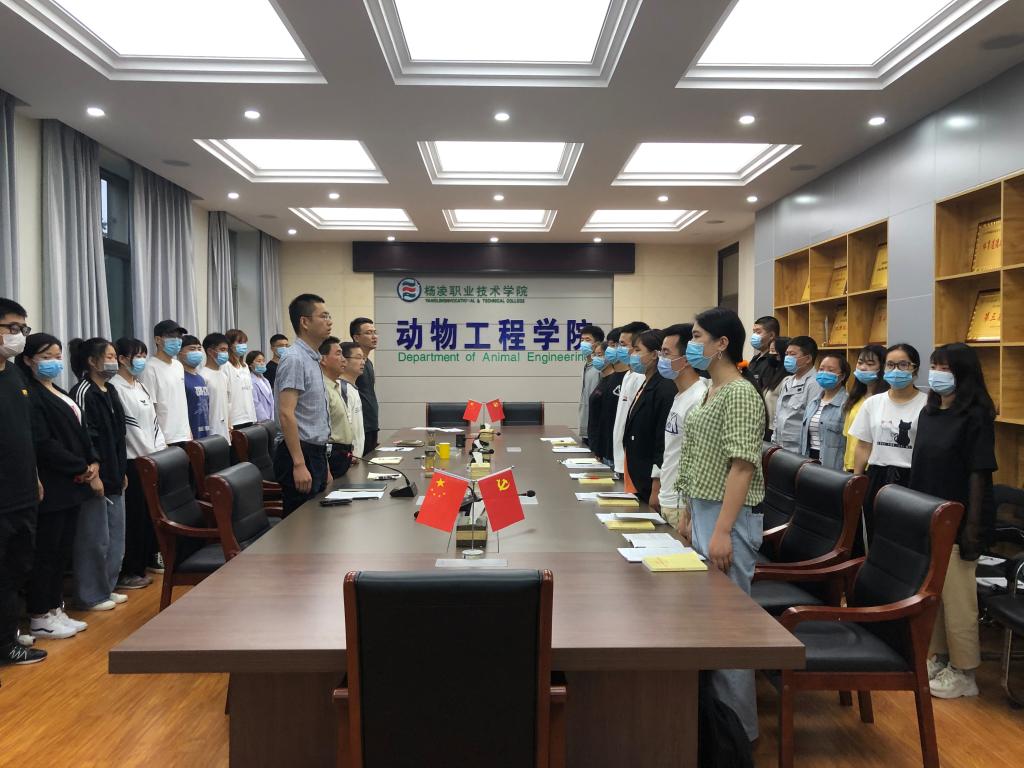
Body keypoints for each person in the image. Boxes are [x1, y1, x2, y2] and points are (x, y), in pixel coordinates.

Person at [676, 307, 766, 742]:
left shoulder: (741, 394)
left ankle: (739, 736)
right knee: (708, 622)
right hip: (703, 510)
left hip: (728, 517)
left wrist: (722, 530)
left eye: (697, 336)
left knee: (730, 626)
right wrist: (688, 511)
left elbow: (742, 466)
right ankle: (712, 727)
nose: (692, 344)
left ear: (722, 343)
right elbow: (696, 454)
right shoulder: (711, 389)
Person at [910, 343, 996, 700]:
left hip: (961, 520)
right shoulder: (929, 412)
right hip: (929, 515)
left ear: (963, 373)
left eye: (944, 368)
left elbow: (979, 474)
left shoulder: (975, 416)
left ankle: (965, 671)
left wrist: (971, 529)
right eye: (934, 366)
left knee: (959, 600)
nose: (937, 374)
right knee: (935, 596)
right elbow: (920, 465)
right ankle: (941, 658)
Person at [18, 334, 100, 639]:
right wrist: (79, 466)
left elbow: (81, 431)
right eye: (46, 357)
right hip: (54, 483)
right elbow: (43, 443)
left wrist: (92, 460)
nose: (53, 362)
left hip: (73, 483)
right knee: (47, 552)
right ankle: (40, 614)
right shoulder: (31, 395)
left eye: (56, 356)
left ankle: (55, 609)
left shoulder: (59, 391)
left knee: (62, 550)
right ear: (28, 360)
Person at [0, 298, 47, 665]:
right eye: (11, 328)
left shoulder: (15, 374)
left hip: (23, 492)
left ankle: (8, 637)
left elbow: (26, 434)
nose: (18, 336)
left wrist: (34, 477)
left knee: (15, 570)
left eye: (22, 329)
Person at [69, 337, 128, 612]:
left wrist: (121, 470)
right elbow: (85, 437)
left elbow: (118, 434)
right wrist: (95, 474)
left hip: (116, 473)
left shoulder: (111, 390)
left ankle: (107, 587)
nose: (114, 361)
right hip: (95, 475)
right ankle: (90, 594)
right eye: (109, 357)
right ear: (92, 361)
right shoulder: (83, 391)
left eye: (115, 356)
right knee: (94, 538)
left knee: (116, 536)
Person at [849, 343, 928, 548]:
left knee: (908, 538)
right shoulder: (873, 403)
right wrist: (857, 481)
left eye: (903, 365)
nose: (896, 370)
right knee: (876, 536)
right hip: (878, 476)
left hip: (912, 478)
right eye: (890, 365)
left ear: (915, 369)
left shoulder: (927, 405)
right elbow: (863, 445)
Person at [110, 338, 166, 591]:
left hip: (152, 458)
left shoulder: (139, 385)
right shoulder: (116, 387)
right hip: (134, 461)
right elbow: (130, 428)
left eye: (144, 355)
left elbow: (153, 421)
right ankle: (129, 570)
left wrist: (160, 450)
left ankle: (144, 562)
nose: (141, 360)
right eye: (137, 355)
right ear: (122, 359)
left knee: (147, 516)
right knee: (133, 518)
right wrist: (148, 452)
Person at [274, 294, 334, 514]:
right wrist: (299, 464)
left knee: (317, 521)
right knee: (300, 524)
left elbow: (314, 416)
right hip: (299, 453)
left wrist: (324, 464)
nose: (329, 321)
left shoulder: (312, 358)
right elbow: (286, 413)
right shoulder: (295, 358)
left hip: (315, 453)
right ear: (305, 322)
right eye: (323, 316)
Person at [650, 323, 708, 529]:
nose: (661, 359)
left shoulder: (699, 397)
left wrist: (688, 512)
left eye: (666, 353)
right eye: (660, 353)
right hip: (668, 496)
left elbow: (698, 458)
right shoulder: (680, 395)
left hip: (681, 505)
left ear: (686, 360)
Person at [623, 329, 677, 506]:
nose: (632, 355)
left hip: (650, 482)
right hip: (638, 475)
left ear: (654, 355)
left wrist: (656, 486)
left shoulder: (665, 388)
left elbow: (662, 441)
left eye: (638, 350)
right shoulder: (647, 382)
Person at [140, 319, 191, 445]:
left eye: (179, 337)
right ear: (158, 340)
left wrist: (188, 430)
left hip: (184, 434)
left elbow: (180, 401)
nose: (177, 340)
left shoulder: (178, 365)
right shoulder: (149, 368)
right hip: (165, 438)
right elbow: (150, 408)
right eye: (171, 336)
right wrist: (159, 440)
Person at [611, 321, 650, 477]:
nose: (619, 349)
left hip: (630, 460)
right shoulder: (628, 374)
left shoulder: (641, 377)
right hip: (620, 458)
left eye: (623, 345)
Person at [799, 352, 850, 470]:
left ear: (842, 376)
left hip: (833, 464)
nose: (824, 373)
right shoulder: (813, 402)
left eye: (830, 370)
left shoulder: (847, 404)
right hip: (809, 460)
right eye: (821, 369)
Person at [842, 345, 889, 472]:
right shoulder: (854, 398)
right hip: (851, 466)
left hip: (873, 468)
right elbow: (848, 437)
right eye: (860, 362)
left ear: (883, 367)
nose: (863, 367)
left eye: (870, 364)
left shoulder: (885, 399)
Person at [774, 335, 821, 452]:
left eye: (793, 354)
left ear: (808, 358)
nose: (788, 358)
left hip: (798, 450)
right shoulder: (788, 381)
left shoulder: (815, 383)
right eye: (787, 354)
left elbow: (810, 421)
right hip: (780, 446)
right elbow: (778, 414)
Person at [320, 337, 355, 478]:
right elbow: (321, 433)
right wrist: (326, 467)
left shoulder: (334, 386)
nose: (344, 360)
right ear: (323, 359)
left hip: (343, 454)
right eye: (338, 354)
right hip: (331, 456)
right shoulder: (322, 389)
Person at [592, 331, 629, 466]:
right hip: (606, 449)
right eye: (610, 345)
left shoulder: (630, 378)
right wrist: (599, 447)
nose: (611, 349)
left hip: (620, 453)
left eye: (616, 345)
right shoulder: (610, 378)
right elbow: (604, 417)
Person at [350, 317, 380, 452]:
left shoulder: (368, 363)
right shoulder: (351, 364)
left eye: (375, 332)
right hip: (359, 425)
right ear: (356, 337)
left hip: (371, 423)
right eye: (368, 333)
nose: (374, 336)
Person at [577, 324, 605, 445]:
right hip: (586, 426)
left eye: (587, 340)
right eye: (582, 340)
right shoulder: (586, 366)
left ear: (597, 343)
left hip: (597, 428)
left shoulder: (601, 367)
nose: (583, 343)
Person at [224, 329, 257, 430]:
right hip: (235, 419)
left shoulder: (245, 366)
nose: (243, 345)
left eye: (244, 342)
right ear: (230, 345)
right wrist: (228, 421)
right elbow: (226, 394)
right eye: (239, 342)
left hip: (249, 416)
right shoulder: (226, 365)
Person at [201, 333, 231, 440]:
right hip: (211, 432)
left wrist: (229, 426)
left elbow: (227, 403)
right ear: (210, 351)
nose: (225, 353)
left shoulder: (223, 375)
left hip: (225, 431)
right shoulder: (202, 376)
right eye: (222, 350)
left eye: (227, 350)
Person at [179, 335, 210, 440]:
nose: (197, 352)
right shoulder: (180, 377)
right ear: (180, 352)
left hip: (205, 432)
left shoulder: (200, 378)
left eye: (199, 349)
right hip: (189, 435)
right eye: (192, 349)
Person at [341, 342, 367, 458]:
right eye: (358, 358)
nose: (363, 362)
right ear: (344, 360)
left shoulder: (353, 388)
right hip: (348, 458)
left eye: (363, 358)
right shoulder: (341, 388)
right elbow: (344, 427)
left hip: (356, 457)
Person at [761, 335, 789, 440]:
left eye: (773, 351)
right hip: (766, 427)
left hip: (775, 429)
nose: (771, 354)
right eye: (770, 351)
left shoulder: (787, 379)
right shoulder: (773, 374)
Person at [747, 315, 780, 392]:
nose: (754, 336)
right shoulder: (755, 359)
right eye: (754, 332)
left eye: (758, 332)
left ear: (771, 335)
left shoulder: (774, 360)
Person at [246, 350, 274, 423]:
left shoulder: (265, 380)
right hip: (260, 421)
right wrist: (265, 420)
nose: (262, 363)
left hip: (271, 419)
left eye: (263, 361)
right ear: (250, 364)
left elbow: (271, 401)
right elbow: (255, 403)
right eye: (259, 361)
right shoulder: (250, 381)